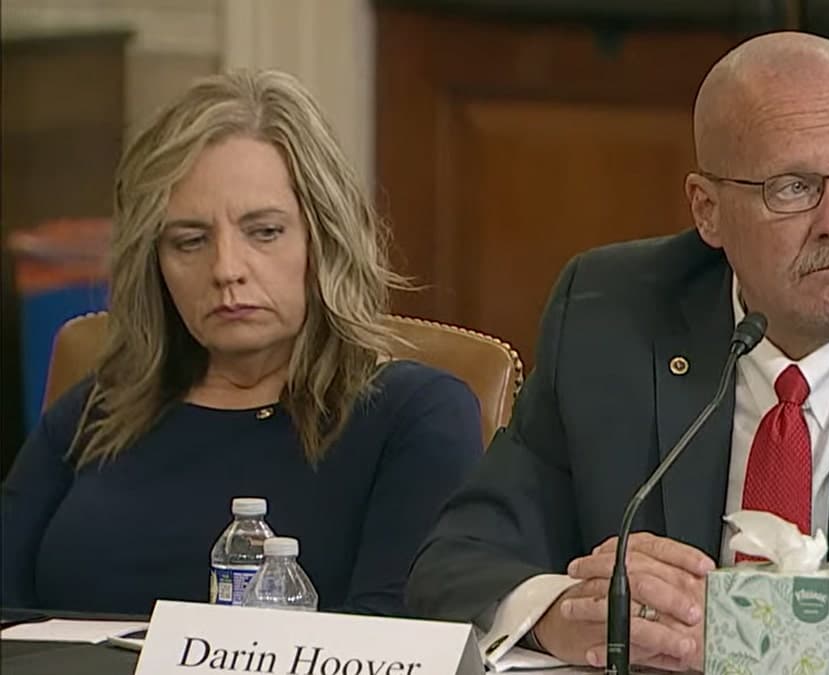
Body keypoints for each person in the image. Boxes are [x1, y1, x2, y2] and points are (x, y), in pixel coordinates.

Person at [407, 32, 829, 670]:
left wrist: (756, 628)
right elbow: (456, 562)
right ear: (707, 210)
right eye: (793, 188)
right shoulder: (608, 314)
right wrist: (564, 613)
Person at [1, 70, 483, 616]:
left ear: (324, 239)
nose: (227, 269)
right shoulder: (100, 409)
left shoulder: (413, 418)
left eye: (265, 232)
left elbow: (392, 646)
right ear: (154, 263)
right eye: (190, 241)